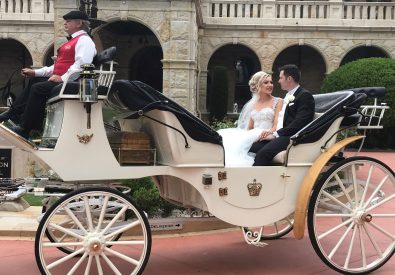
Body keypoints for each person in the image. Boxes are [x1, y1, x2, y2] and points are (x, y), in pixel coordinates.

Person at [0, 10, 97, 138]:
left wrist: (62, 78)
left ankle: (27, 128)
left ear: (79, 23)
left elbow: (82, 65)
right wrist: (35, 72)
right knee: (34, 81)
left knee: (38, 88)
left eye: (68, 21)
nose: (65, 24)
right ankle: (14, 114)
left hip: (74, 82)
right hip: (65, 80)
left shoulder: (84, 40)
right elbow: (55, 67)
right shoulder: (73, 41)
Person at [249, 64, 315, 166]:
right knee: (250, 147)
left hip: (292, 137)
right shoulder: (289, 95)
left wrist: (275, 134)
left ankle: (256, 180)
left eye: (280, 78)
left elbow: (300, 123)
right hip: (282, 135)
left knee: (263, 154)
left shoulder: (304, 95)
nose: (278, 81)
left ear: (289, 79)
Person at [218, 71, 283, 166]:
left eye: (271, 82)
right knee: (226, 140)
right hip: (254, 134)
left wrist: (269, 133)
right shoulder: (253, 104)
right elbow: (250, 127)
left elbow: (276, 125)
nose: (270, 85)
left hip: (267, 134)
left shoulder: (278, 101)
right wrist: (250, 137)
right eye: (266, 82)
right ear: (257, 85)